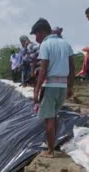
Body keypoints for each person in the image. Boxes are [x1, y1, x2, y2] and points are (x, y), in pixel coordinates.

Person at [31, 18, 75, 158]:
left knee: (49, 119)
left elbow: (43, 70)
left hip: (50, 86)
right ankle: (51, 144)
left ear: (42, 32)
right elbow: (73, 68)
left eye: (36, 34)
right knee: (53, 116)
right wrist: (70, 87)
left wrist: (36, 90)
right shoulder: (65, 44)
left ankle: (50, 151)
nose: (36, 38)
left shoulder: (45, 45)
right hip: (62, 86)